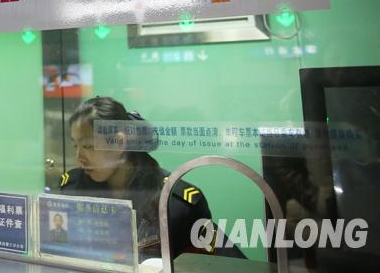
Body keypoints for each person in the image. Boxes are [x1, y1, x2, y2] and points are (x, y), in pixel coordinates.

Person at [60, 96, 243, 261]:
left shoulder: (174, 203)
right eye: (75, 146)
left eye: (88, 146)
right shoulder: (73, 189)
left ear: (119, 143)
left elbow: (217, 264)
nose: (79, 157)